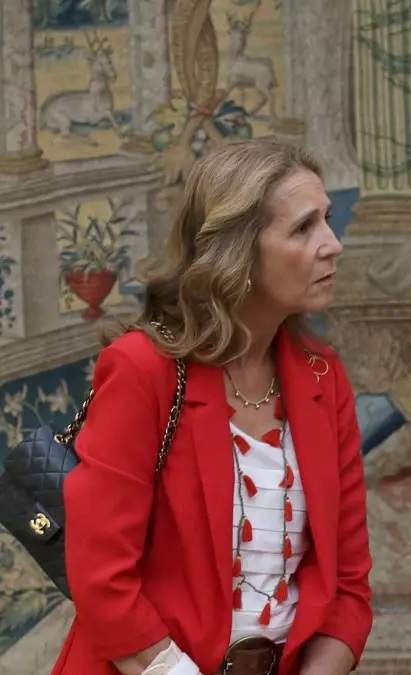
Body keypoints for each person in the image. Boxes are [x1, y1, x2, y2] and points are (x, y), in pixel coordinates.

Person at [54, 140, 372, 675]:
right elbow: (102, 581)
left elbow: (348, 587)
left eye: (328, 221)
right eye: (303, 228)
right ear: (239, 252)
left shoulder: (324, 375)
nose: (332, 244)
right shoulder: (141, 369)